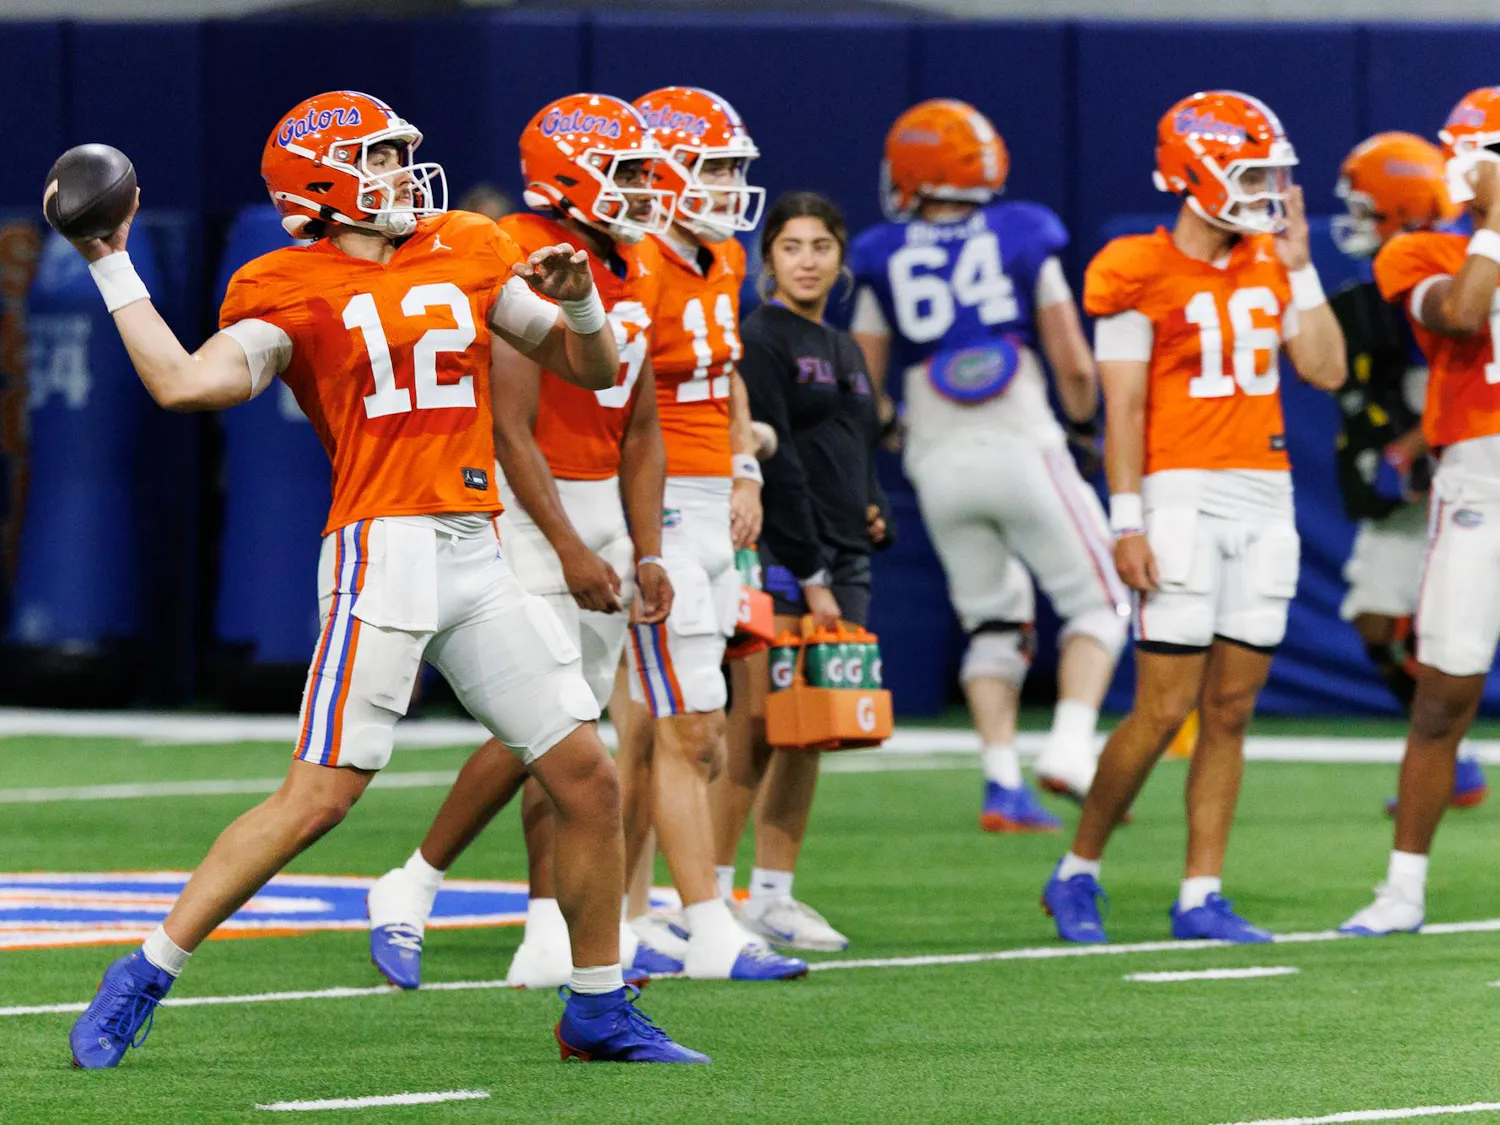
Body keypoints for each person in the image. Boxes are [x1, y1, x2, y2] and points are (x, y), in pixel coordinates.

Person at [66, 91, 705, 1066]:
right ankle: (144, 970)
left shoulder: (469, 243)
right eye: (379, 157)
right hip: (384, 552)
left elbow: (589, 369)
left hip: (476, 547)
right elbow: (184, 383)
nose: (405, 172)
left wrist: (580, 297)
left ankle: (597, 1008)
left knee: (588, 779)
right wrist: (113, 264)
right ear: (324, 184)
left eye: (404, 153)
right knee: (319, 799)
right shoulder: (286, 282)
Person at [363, 93, 688, 990]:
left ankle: (547, 930)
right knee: (548, 721)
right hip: (526, 501)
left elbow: (644, 421)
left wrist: (644, 545)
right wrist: (570, 544)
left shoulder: (642, 259)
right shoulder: (519, 246)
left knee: (569, 728)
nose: (643, 187)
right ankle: (415, 881)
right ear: (572, 170)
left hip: (602, 509)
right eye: (624, 170)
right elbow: (510, 425)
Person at [1042, 89, 1345, 944]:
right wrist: (1126, 518)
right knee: (1163, 705)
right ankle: (1077, 870)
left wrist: (1301, 262)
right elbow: (1124, 406)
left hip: (1265, 493)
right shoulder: (1133, 267)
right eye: (1248, 173)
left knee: (1234, 707)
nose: (1265, 190)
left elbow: (1324, 369)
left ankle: (1200, 891)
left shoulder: (1270, 260)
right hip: (1179, 494)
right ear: (1195, 171)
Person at [849, 98, 1127, 832]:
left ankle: (1003, 781)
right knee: (1100, 602)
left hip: (938, 453)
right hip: (1020, 433)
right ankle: (1070, 746)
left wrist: (889, 434)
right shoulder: (1023, 230)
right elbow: (1070, 358)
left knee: (995, 624)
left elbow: (865, 381)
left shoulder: (880, 250)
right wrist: (1084, 426)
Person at [615, 85, 806, 981]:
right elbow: (609, 397)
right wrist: (639, 522)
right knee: (685, 728)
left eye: (735, 168)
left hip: (711, 501)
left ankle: (633, 914)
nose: (731, 185)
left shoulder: (722, 254)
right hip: (655, 506)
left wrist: (745, 467)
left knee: (681, 726)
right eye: (716, 166)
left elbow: (724, 372)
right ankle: (700, 923)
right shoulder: (634, 257)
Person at [709, 191, 892, 953]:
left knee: (808, 728)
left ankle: (775, 893)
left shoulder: (845, 347)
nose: (809, 259)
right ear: (769, 259)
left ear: (841, 257)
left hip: (843, 554)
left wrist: (873, 507)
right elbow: (773, 462)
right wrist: (810, 569)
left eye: (822, 245)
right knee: (753, 727)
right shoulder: (761, 337)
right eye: (792, 246)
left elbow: (854, 441)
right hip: (786, 553)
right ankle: (714, 892)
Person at [1340, 88, 1500, 937]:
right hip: (1480, 482)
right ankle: (1403, 888)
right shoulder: (1419, 250)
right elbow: (1466, 313)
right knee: (1444, 693)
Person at [1328, 132, 1486, 816]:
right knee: (1376, 619)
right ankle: (1456, 751)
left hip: (1467, 465)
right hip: (1434, 482)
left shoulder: (1460, 256)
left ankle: (1454, 750)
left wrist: (1417, 438)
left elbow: (1463, 335)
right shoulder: (1396, 270)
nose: (1357, 221)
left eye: (1370, 206)